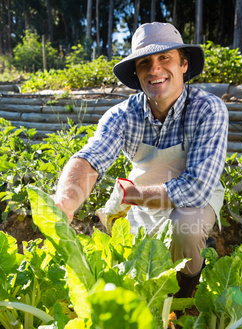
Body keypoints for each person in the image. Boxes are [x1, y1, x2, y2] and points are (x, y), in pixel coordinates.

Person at [55, 22, 229, 299]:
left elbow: (195, 188)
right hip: (140, 195)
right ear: (137, 74)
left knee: (185, 231)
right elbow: (90, 157)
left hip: (193, 199)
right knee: (117, 244)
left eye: (164, 58)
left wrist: (132, 195)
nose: (155, 69)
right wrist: (65, 201)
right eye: (144, 62)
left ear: (183, 64)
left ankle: (181, 297)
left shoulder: (207, 109)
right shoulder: (121, 115)